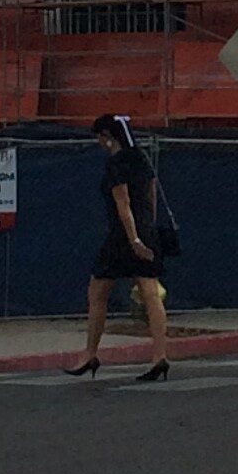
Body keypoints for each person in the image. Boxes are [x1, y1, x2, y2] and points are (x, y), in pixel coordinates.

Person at [63, 113, 170, 381]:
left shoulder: (115, 165)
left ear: (108, 138)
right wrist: (147, 231)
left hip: (122, 236)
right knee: (150, 292)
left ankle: (90, 352)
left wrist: (133, 239)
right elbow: (151, 195)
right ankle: (160, 355)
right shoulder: (142, 158)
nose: (99, 142)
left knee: (98, 290)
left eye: (100, 137)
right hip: (147, 229)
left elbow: (123, 206)